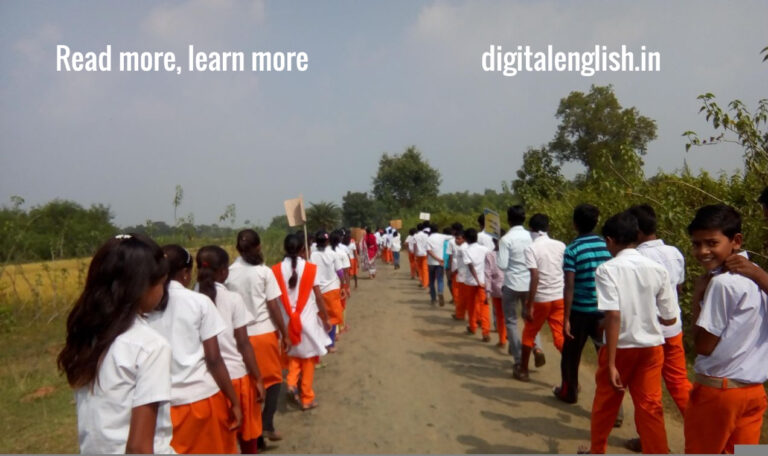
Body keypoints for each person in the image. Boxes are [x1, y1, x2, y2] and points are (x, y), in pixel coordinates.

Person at [58, 233, 173, 454]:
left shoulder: (90, 337)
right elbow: (139, 448)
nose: (162, 291)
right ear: (142, 287)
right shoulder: (150, 346)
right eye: (161, 283)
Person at [587, 211, 677, 454]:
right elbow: (670, 317)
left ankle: (597, 450)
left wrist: (613, 363)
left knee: (606, 404)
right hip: (651, 348)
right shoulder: (657, 270)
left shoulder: (607, 270)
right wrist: (645, 314)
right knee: (650, 407)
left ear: (610, 240)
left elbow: (613, 315)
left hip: (621, 348)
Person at [684, 204, 768, 454]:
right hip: (754, 393)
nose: (703, 251)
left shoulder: (722, 284)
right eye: (697, 244)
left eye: (711, 243)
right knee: (747, 452)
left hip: (718, 392)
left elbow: (703, 346)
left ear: (736, 241)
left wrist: (697, 297)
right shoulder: (757, 277)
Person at [148, 245, 241, 454]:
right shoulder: (199, 302)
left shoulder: (144, 307)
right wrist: (233, 400)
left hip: (162, 405)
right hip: (203, 399)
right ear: (185, 273)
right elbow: (214, 359)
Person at [624, 204, 689, 452]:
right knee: (679, 383)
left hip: (649, 336)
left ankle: (654, 443)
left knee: (646, 397)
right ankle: (703, 430)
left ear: (636, 230)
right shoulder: (674, 252)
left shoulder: (636, 259)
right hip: (673, 329)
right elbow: (679, 289)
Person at [196, 246, 266, 454]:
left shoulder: (191, 298)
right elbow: (243, 343)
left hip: (210, 382)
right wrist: (258, 378)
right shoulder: (233, 299)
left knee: (221, 442)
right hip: (237, 377)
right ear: (224, 271)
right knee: (248, 437)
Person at [225, 229, 289, 446]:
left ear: (237, 249)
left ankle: (253, 434)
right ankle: (267, 424)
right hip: (263, 334)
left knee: (250, 385)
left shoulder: (229, 273)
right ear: (258, 247)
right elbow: (273, 305)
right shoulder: (264, 272)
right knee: (273, 381)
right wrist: (285, 331)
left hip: (238, 337)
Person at [553, 204, 613, 405]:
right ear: (597, 222)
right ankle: (613, 407)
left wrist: (566, 318)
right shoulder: (607, 246)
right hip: (603, 312)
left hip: (579, 311)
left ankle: (569, 392)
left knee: (571, 356)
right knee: (606, 359)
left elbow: (569, 285)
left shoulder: (573, 249)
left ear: (575, 224)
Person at [273, 233, 332, 411]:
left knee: (294, 355)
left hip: (286, 322)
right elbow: (318, 297)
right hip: (307, 321)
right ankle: (306, 398)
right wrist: (326, 317)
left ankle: (291, 383)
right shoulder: (310, 268)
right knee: (308, 360)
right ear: (301, 249)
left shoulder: (274, 270)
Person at [517, 214, 566, 382]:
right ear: (548, 228)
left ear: (531, 229)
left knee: (529, 332)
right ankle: (570, 376)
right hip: (559, 296)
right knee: (559, 336)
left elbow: (534, 276)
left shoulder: (531, 248)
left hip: (542, 298)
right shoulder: (560, 245)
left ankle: (523, 370)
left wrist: (529, 304)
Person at [498, 205, 541, 375]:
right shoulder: (532, 237)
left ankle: (518, 359)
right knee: (530, 319)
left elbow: (501, 264)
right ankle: (537, 347)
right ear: (524, 219)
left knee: (511, 321)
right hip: (530, 283)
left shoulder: (506, 239)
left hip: (512, 283)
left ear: (509, 220)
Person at [311, 230, 347, 353]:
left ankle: (323, 342)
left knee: (321, 317)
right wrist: (343, 284)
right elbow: (340, 271)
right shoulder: (332, 254)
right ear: (327, 241)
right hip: (332, 288)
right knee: (333, 316)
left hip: (318, 291)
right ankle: (330, 343)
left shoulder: (312, 255)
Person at [461, 228, 491, 342]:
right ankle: (485, 331)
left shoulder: (466, 250)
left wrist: (476, 279)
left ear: (466, 239)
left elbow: (470, 266)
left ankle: (473, 326)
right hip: (483, 282)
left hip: (471, 281)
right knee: (484, 306)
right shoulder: (485, 249)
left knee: (471, 305)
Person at [484, 234, 506, 347]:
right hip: (511, 288)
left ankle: (502, 339)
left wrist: (487, 291)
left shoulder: (490, 255)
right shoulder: (511, 254)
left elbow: (487, 275)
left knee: (500, 315)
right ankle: (509, 337)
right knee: (510, 316)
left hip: (496, 289)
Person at [426, 223, 448, 306]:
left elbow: (429, 251)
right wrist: (439, 259)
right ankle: (440, 292)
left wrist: (436, 258)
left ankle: (433, 299)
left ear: (430, 230)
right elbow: (452, 237)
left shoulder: (429, 239)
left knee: (431, 281)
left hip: (431, 263)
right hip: (440, 263)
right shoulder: (442, 236)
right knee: (440, 280)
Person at [414, 223, 430, 288]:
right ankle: (426, 283)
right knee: (425, 269)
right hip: (425, 253)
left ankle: (421, 281)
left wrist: (415, 253)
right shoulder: (426, 235)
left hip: (418, 254)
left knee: (420, 269)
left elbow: (415, 246)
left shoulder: (415, 236)